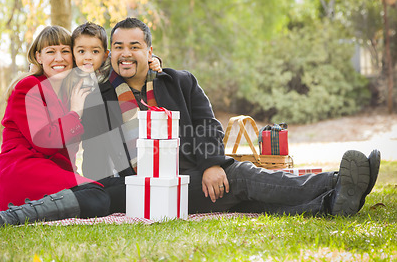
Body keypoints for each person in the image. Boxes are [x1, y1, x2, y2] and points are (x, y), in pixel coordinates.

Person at [81, 17, 381, 217]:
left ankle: (333, 202)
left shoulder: (179, 81)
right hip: (149, 189)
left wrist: (211, 164)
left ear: (149, 51)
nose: (126, 54)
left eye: (135, 46)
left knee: (248, 199)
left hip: (195, 170)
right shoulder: (98, 98)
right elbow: (95, 163)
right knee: (240, 178)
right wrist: (133, 192)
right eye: (118, 47)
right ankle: (339, 182)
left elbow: (208, 126)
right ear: (110, 54)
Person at [0, 25, 111, 227]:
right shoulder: (28, 87)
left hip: (53, 177)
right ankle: (10, 218)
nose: (59, 58)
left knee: (117, 189)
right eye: (51, 52)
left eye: (65, 51)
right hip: (22, 174)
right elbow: (45, 142)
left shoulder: (70, 92)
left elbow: (102, 65)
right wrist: (75, 113)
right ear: (39, 57)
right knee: (97, 196)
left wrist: (150, 63)